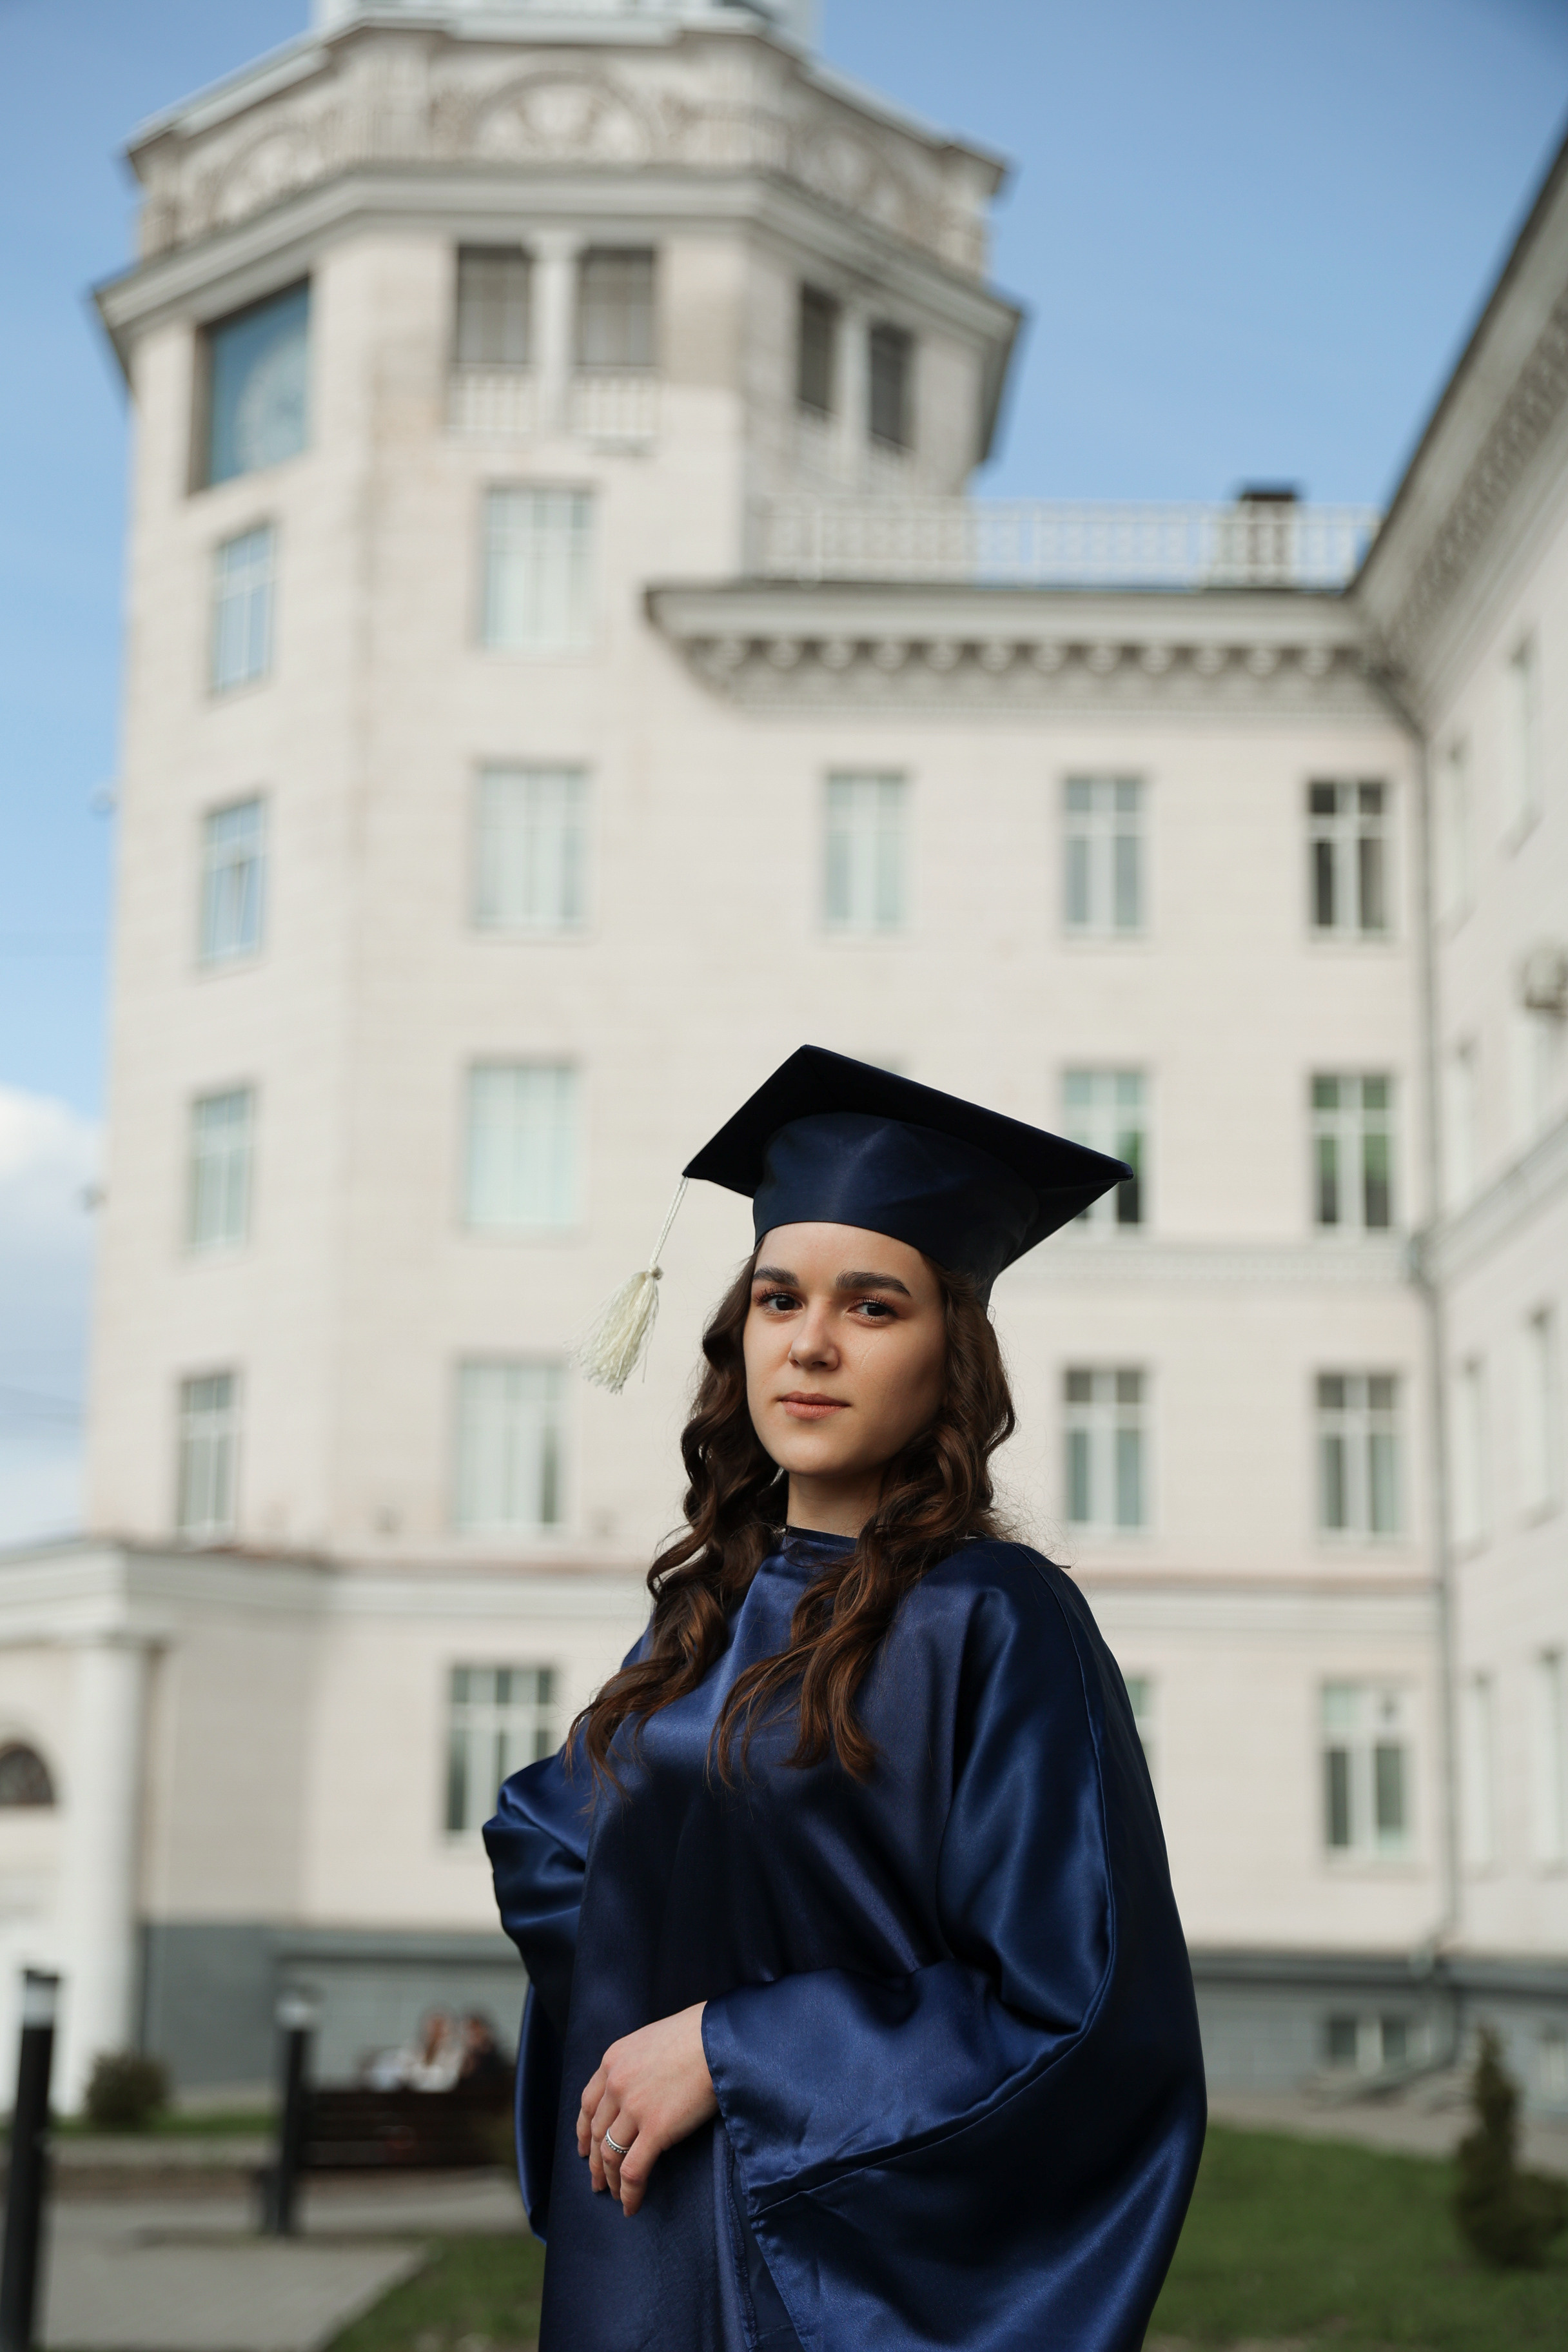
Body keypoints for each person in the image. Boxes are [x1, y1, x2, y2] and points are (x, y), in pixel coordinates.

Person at [485, 1048, 1206, 2351]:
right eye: (779, 1299)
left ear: (950, 1353)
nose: (810, 1343)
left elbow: (1073, 2012)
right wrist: (664, 1996)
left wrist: (737, 2047)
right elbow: (550, 1835)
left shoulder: (992, 1619)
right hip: (645, 2218)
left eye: (873, 1307)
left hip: (824, 2253)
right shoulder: (705, 1608)